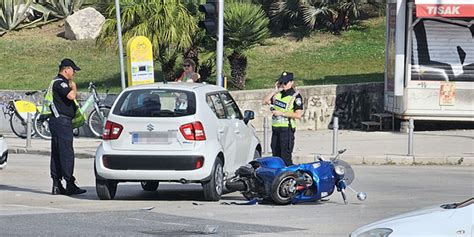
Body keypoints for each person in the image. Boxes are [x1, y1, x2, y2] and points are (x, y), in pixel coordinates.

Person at [48, 58, 86, 195]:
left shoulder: (58, 82)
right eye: (73, 70)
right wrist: (74, 86)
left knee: (58, 153)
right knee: (66, 153)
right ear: (66, 69)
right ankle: (69, 183)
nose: (74, 73)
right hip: (61, 122)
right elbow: (71, 96)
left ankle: (57, 184)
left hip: (59, 122)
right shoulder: (60, 83)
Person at [263, 71, 304, 166]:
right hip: (276, 130)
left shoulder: (295, 96)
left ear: (291, 82)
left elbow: (298, 115)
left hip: (287, 130)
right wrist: (275, 90)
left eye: (285, 83)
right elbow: (265, 101)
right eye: (281, 82)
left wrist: (281, 113)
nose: (283, 85)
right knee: (275, 157)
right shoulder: (278, 94)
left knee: (285, 159)